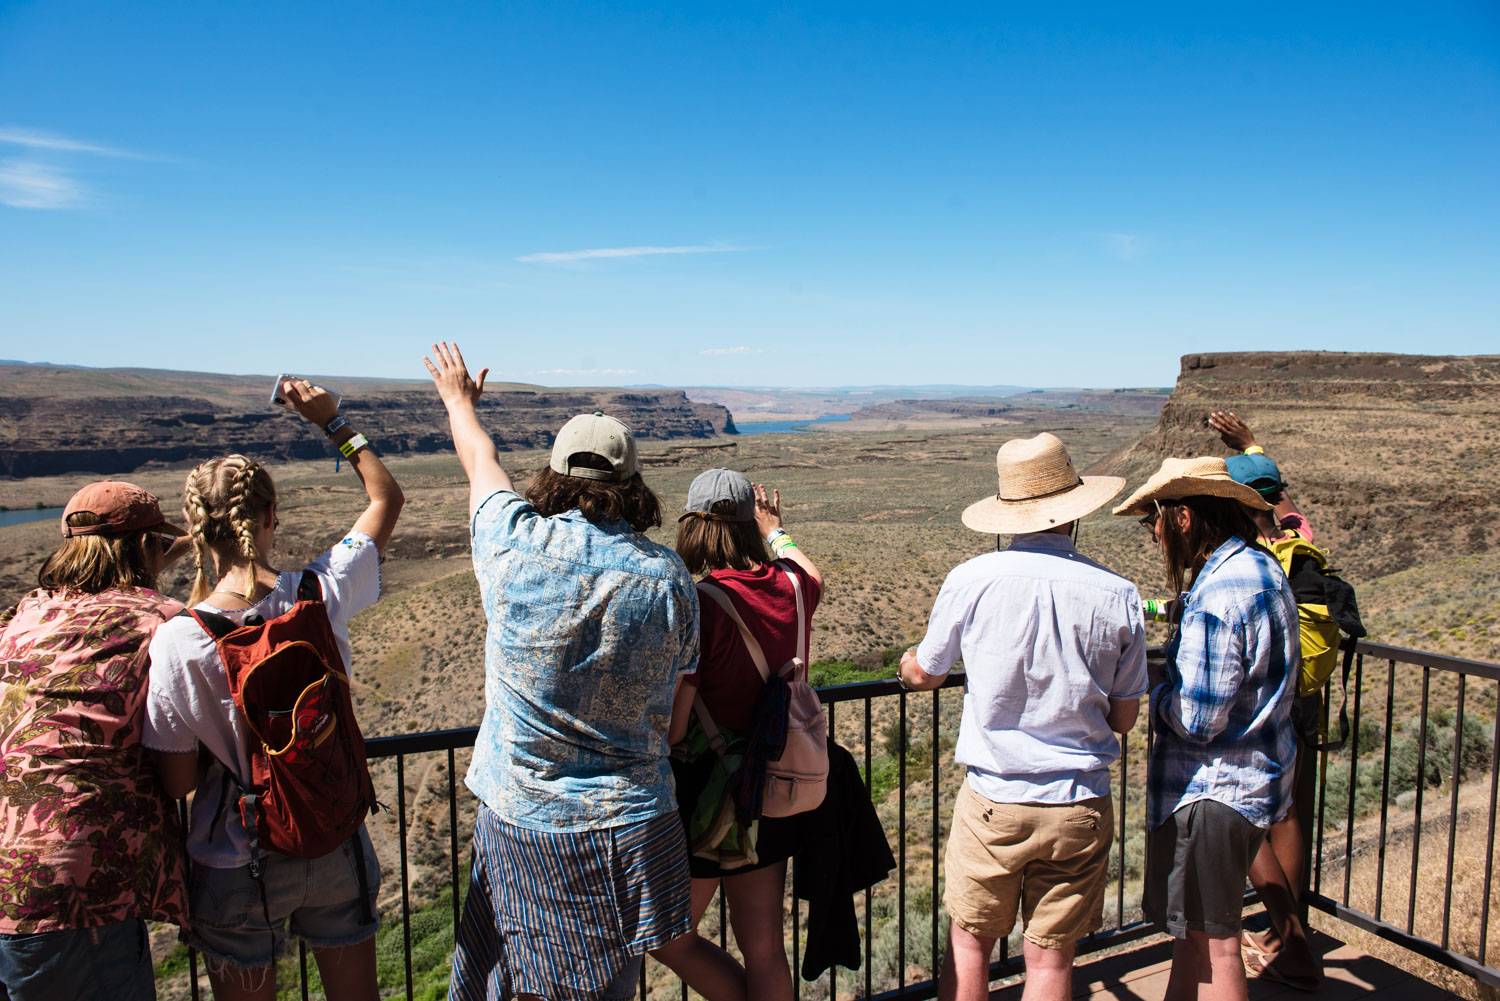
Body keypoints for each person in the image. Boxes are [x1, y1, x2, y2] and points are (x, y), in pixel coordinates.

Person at [427, 343, 702, 1001]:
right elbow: (677, 709)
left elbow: (480, 460)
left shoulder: (510, 541)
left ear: (553, 475)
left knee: (512, 977)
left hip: (525, 822)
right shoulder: (667, 578)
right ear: (632, 483)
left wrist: (458, 401)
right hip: (629, 822)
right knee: (608, 985)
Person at [143, 378, 403, 1001]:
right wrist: (333, 422)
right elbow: (386, 497)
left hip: (236, 860)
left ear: (196, 527)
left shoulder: (179, 640)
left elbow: (177, 783)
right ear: (269, 516)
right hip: (331, 841)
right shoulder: (318, 594)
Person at [899, 432, 1147, 1001]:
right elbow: (1125, 719)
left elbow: (928, 672)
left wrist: (907, 666)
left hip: (995, 799)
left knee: (968, 948)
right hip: (1079, 802)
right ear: (1074, 512)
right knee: (1051, 962)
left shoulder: (971, 578)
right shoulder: (1119, 593)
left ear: (1009, 512)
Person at [1114, 456, 1299, 1001]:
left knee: (1217, 948)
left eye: (1154, 518)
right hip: (1257, 781)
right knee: (1195, 939)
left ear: (1184, 517)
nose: (1152, 533)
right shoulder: (1262, 568)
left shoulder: (1218, 595)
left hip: (1213, 792)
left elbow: (1198, 718)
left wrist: (1153, 683)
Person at [0, 483, 192, 1001]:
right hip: (76, 890)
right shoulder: (159, 621)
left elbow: (114, 577)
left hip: (9, 877)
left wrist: (175, 545)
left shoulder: (28, 613)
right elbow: (179, 778)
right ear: (145, 547)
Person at [657, 469, 825, 1001]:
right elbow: (804, 567)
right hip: (777, 784)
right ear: (749, 524)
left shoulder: (697, 603)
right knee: (766, 948)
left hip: (714, 796)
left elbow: (676, 727)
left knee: (670, 936)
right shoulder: (794, 589)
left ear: (693, 527)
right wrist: (776, 529)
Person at [1211, 411, 1322, 990]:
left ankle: (1293, 945)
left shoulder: (1247, 558)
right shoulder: (1296, 539)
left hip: (1255, 702)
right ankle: (1286, 934)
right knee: (1283, 814)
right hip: (1297, 696)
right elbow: (1279, 498)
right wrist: (1253, 445)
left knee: (1245, 815)